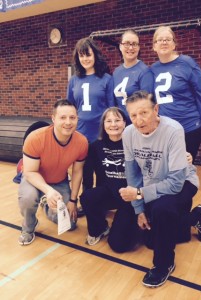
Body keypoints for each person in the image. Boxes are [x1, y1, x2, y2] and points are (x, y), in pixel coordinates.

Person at [119, 91, 201, 288]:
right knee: (153, 239)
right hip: (153, 183)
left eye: (143, 112)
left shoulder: (173, 130)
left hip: (183, 182)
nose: (138, 120)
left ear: (156, 109)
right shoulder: (128, 133)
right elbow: (132, 174)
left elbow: (176, 183)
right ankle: (194, 217)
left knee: (162, 211)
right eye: (133, 115)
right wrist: (139, 210)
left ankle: (163, 265)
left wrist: (140, 194)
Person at [18, 100, 88, 246]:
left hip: (59, 180)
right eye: (62, 117)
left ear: (77, 119)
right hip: (35, 179)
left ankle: (47, 207)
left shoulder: (82, 142)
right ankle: (28, 227)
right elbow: (30, 172)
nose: (68, 122)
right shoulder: (35, 138)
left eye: (72, 117)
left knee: (71, 224)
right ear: (53, 119)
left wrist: (73, 201)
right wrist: (48, 191)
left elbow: (77, 171)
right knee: (28, 198)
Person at [80, 107, 140, 252]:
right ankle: (101, 228)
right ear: (103, 124)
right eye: (109, 121)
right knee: (87, 196)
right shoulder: (95, 146)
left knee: (119, 245)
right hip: (109, 193)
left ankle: (133, 225)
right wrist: (87, 202)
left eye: (117, 120)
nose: (113, 124)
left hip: (130, 198)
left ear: (125, 123)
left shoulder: (135, 143)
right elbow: (87, 173)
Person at [151, 26, 201, 161]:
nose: (164, 42)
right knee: (165, 169)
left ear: (174, 44)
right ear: (154, 46)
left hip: (189, 127)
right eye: (159, 40)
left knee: (184, 170)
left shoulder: (187, 63)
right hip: (164, 129)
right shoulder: (153, 69)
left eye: (168, 39)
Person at [67, 37, 115, 215]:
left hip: (101, 136)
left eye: (88, 54)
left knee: (102, 173)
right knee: (85, 174)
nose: (85, 59)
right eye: (81, 56)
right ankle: (87, 205)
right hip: (81, 136)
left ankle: (101, 204)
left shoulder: (106, 79)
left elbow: (111, 108)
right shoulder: (74, 80)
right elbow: (70, 108)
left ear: (95, 55)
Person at [113, 29, 154, 124]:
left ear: (139, 47)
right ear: (120, 46)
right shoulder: (116, 72)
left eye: (134, 44)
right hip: (120, 125)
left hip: (137, 124)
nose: (130, 48)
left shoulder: (144, 72)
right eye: (126, 43)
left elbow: (146, 104)